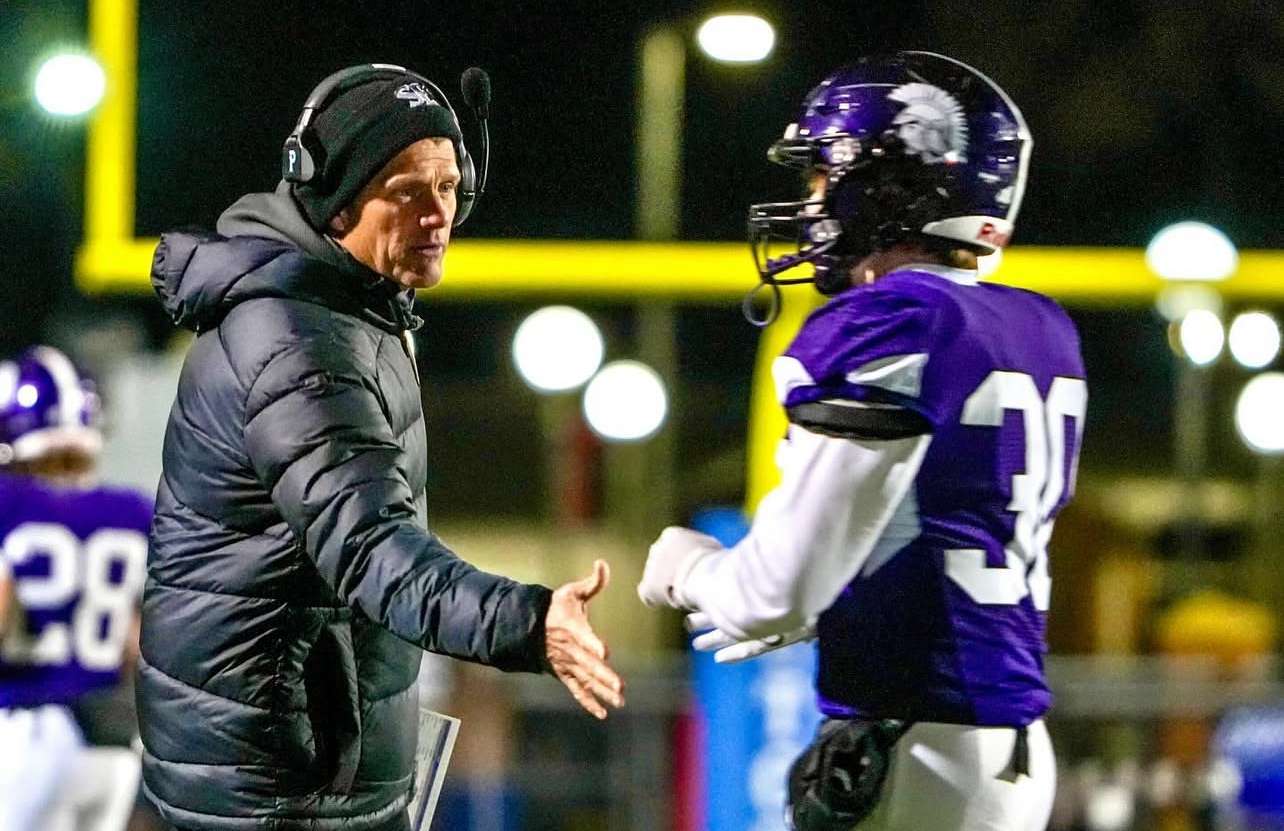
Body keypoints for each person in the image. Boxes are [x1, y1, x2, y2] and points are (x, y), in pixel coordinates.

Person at [138, 64, 623, 831]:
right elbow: (372, 548)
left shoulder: (347, 311)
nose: (439, 214)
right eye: (406, 190)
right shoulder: (299, 343)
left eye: (450, 187)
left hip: (290, 768)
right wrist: (528, 621)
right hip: (277, 788)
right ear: (333, 199)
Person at [639, 51, 1086, 831]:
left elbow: (774, 592)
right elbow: (927, 525)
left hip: (916, 746)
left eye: (820, 176)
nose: (810, 201)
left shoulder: (889, 324)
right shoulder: (1036, 325)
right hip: (1008, 747)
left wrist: (693, 570)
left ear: (888, 184)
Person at [0, 345, 149, 831]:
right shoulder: (133, 514)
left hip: (25, 727)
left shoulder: (11, 507)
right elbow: (139, 641)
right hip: (111, 742)